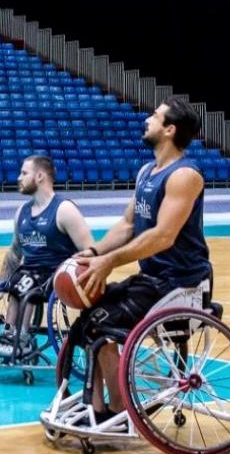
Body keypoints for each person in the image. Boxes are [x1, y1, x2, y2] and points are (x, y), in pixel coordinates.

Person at [73, 97, 209, 420]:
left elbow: (163, 236)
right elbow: (128, 225)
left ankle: (118, 410)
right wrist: (94, 253)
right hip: (152, 281)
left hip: (180, 284)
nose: (148, 119)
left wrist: (111, 262)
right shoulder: (147, 171)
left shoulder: (184, 176)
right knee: (87, 315)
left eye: (155, 116)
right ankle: (95, 405)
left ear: (169, 130)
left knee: (100, 323)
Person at [0, 154, 94, 353]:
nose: (18, 178)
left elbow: (90, 250)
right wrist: (1, 286)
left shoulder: (64, 210)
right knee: (16, 283)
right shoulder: (22, 212)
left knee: (27, 285)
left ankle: (20, 337)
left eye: (24, 173)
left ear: (39, 176)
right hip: (28, 273)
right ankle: (8, 334)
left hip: (56, 276)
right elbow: (14, 253)